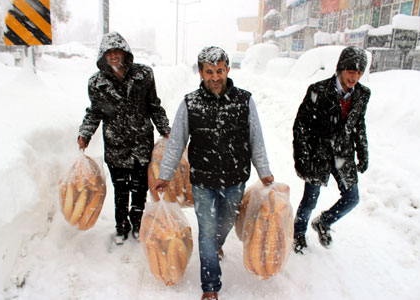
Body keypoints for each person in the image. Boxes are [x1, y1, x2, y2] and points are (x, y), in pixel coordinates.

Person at [154, 46, 274, 300]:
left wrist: (264, 171)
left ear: (228, 70)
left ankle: (217, 245)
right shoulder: (190, 103)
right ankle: (210, 286)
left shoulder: (244, 100)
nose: (215, 77)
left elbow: (256, 140)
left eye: (220, 71)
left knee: (226, 223)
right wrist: (164, 175)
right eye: (209, 72)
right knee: (206, 232)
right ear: (200, 73)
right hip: (203, 182)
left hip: (235, 180)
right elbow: (176, 142)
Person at [78, 32, 171, 245]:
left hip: (140, 144)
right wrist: (85, 133)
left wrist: (165, 129)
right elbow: (94, 112)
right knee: (120, 190)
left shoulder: (143, 75)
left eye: (117, 51)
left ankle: (137, 223)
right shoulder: (96, 83)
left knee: (139, 190)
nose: (113, 56)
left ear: (125, 53)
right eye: (108, 53)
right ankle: (121, 226)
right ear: (103, 56)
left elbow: (153, 105)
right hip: (115, 146)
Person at [292, 46, 371, 254]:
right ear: (340, 69)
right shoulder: (318, 90)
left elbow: (358, 124)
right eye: (350, 71)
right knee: (310, 198)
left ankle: (323, 222)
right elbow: (301, 126)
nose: (354, 77)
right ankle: (298, 232)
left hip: (343, 153)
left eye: (359, 72)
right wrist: (302, 157)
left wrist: (362, 152)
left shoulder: (362, 94)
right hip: (318, 152)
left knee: (352, 198)